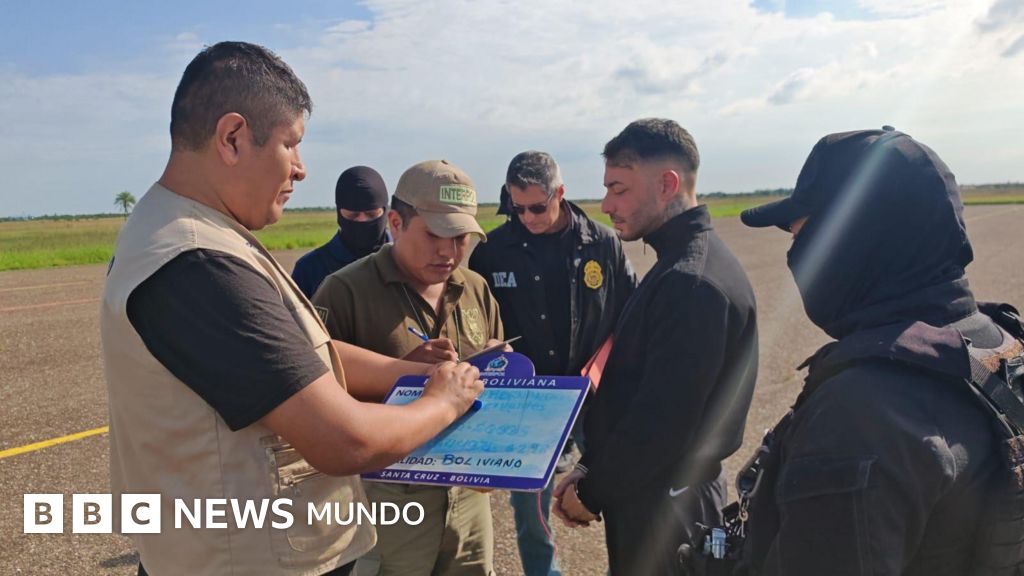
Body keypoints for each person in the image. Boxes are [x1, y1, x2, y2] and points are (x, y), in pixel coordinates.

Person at [101, 42, 483, 576]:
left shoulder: (195, 234)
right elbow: (343, 441)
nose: (301, 169)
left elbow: (298, 353)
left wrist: (410, 373)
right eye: (290, 144)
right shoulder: (196, 261)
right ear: (232, 138)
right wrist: (443, 402)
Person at [735, 127, 1024, 575]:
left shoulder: (861, 412)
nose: (796, 254)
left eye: (802, 234)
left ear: (852, 239)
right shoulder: (1002, 344)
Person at [553, 118, 759, 575]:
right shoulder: (680, 266)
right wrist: (592, 469)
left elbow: (662, 421)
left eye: (619, 189)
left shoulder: (692, 282)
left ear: (667, 184)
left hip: (668, 506)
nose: (606, 204)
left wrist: (592, 492)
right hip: (655, 494)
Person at [313, 159, 502, 576]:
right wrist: (399, 373)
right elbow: (313, 400)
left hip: (469, 500)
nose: (449, 251)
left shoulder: (475, 289)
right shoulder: (344, 290)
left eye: (461, 238)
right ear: (396, 222)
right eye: (435, 234)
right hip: (387, 503)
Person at [468, 150, 637, 576]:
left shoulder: (602, 243)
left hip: (593, 394)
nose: (526, 217)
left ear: (560, 193)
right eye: (515, 207)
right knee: (530, 507)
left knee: (620, 486)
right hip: (529, 401)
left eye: (537, 207)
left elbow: (634, 314)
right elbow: (474, 322)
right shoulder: (492, 252)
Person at [292, 165, 392, 298]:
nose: (362, 221)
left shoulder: (407, 261)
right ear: (339, 213)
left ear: (386, 212)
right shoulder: (310, 269)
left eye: (371, 214)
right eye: (353, 215)